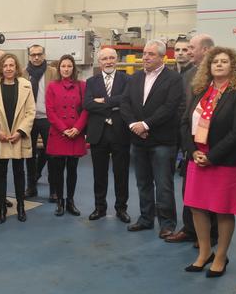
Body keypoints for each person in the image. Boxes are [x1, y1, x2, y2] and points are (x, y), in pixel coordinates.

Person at [181, 47, 236, 277]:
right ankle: (204, 253)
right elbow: (184, 123)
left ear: (233, 65)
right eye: (215, 62)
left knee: (223, 210)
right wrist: (193, 152)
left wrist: (212, 157)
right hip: (197, 157)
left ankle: (220, 256)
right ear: (208, 66)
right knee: (197, 206)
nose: (219, 65)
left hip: (223, 160)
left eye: (224, 61)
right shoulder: (200, 89)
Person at [120, 39, 184, 237]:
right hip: (139, 140)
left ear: (163, 57)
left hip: (162, 141)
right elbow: (125, 103)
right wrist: (134, 125)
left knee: (163, 184)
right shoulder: (135, 78)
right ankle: (146, 218)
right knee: (143, 182)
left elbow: (170, 107)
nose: (145, 57)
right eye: (144, 53)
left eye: (151, 54)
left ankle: (167, 223)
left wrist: (146, 125)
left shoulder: (173, 79)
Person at [165, 33, 219, 246]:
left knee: (211, 190)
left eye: (191, 48)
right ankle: (190, 229)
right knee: (190, 188)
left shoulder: (217, 75)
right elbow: (185, 108)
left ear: (204, 50)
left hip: (211, 143)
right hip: (191, 140)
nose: (186, 52)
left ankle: (211, 234)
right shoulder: (190, 75)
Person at [0, 53, 36, 224]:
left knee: (19, 172)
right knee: (0, 173)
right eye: (5, 65)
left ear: (16, 67)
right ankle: (2, 209)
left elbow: (30, 112)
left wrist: (20, 131)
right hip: (1, 137)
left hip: (18, 136)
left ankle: (21, 206)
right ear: (1, 68)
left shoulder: (26, 86)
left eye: (11, 65)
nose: (8, 68)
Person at [84, 47, 131, 223]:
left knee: (121, 173)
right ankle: (99, 208)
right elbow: (88, 104)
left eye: (112, 58)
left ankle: (121, 209)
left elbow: (126, 99)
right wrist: (113, 104)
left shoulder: (127, 79)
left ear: (116, 59)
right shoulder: (91, 81)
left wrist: (103, 101)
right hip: (99, 133)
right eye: (105, 59)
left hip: (120, 132)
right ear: (99, 62)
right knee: (99, 174)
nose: (109, 61)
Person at [45, 54, 88, 216]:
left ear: (73, 68)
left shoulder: (82, 86)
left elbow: (86, 109)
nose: (66, 69)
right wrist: (64, 129)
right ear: (59, 68)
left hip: (75, 133)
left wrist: (77, 128)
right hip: (59, 133)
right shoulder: (52, 86)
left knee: (72, 169)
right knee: (57, 170)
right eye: (63, 66)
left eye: (69, 66)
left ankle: (70, 201)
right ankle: (60, 202)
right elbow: (50, 111)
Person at [24, 44, 58, 201]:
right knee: (29, 155)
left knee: (52, 155)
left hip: (48, 119)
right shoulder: (23, 74)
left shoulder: (53, 72)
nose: (36, 57)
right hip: (29, 120)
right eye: (33, 55)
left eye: (39, 54)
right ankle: (31, 187)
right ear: (29, 56)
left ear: (44, 55)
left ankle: (54, 191)